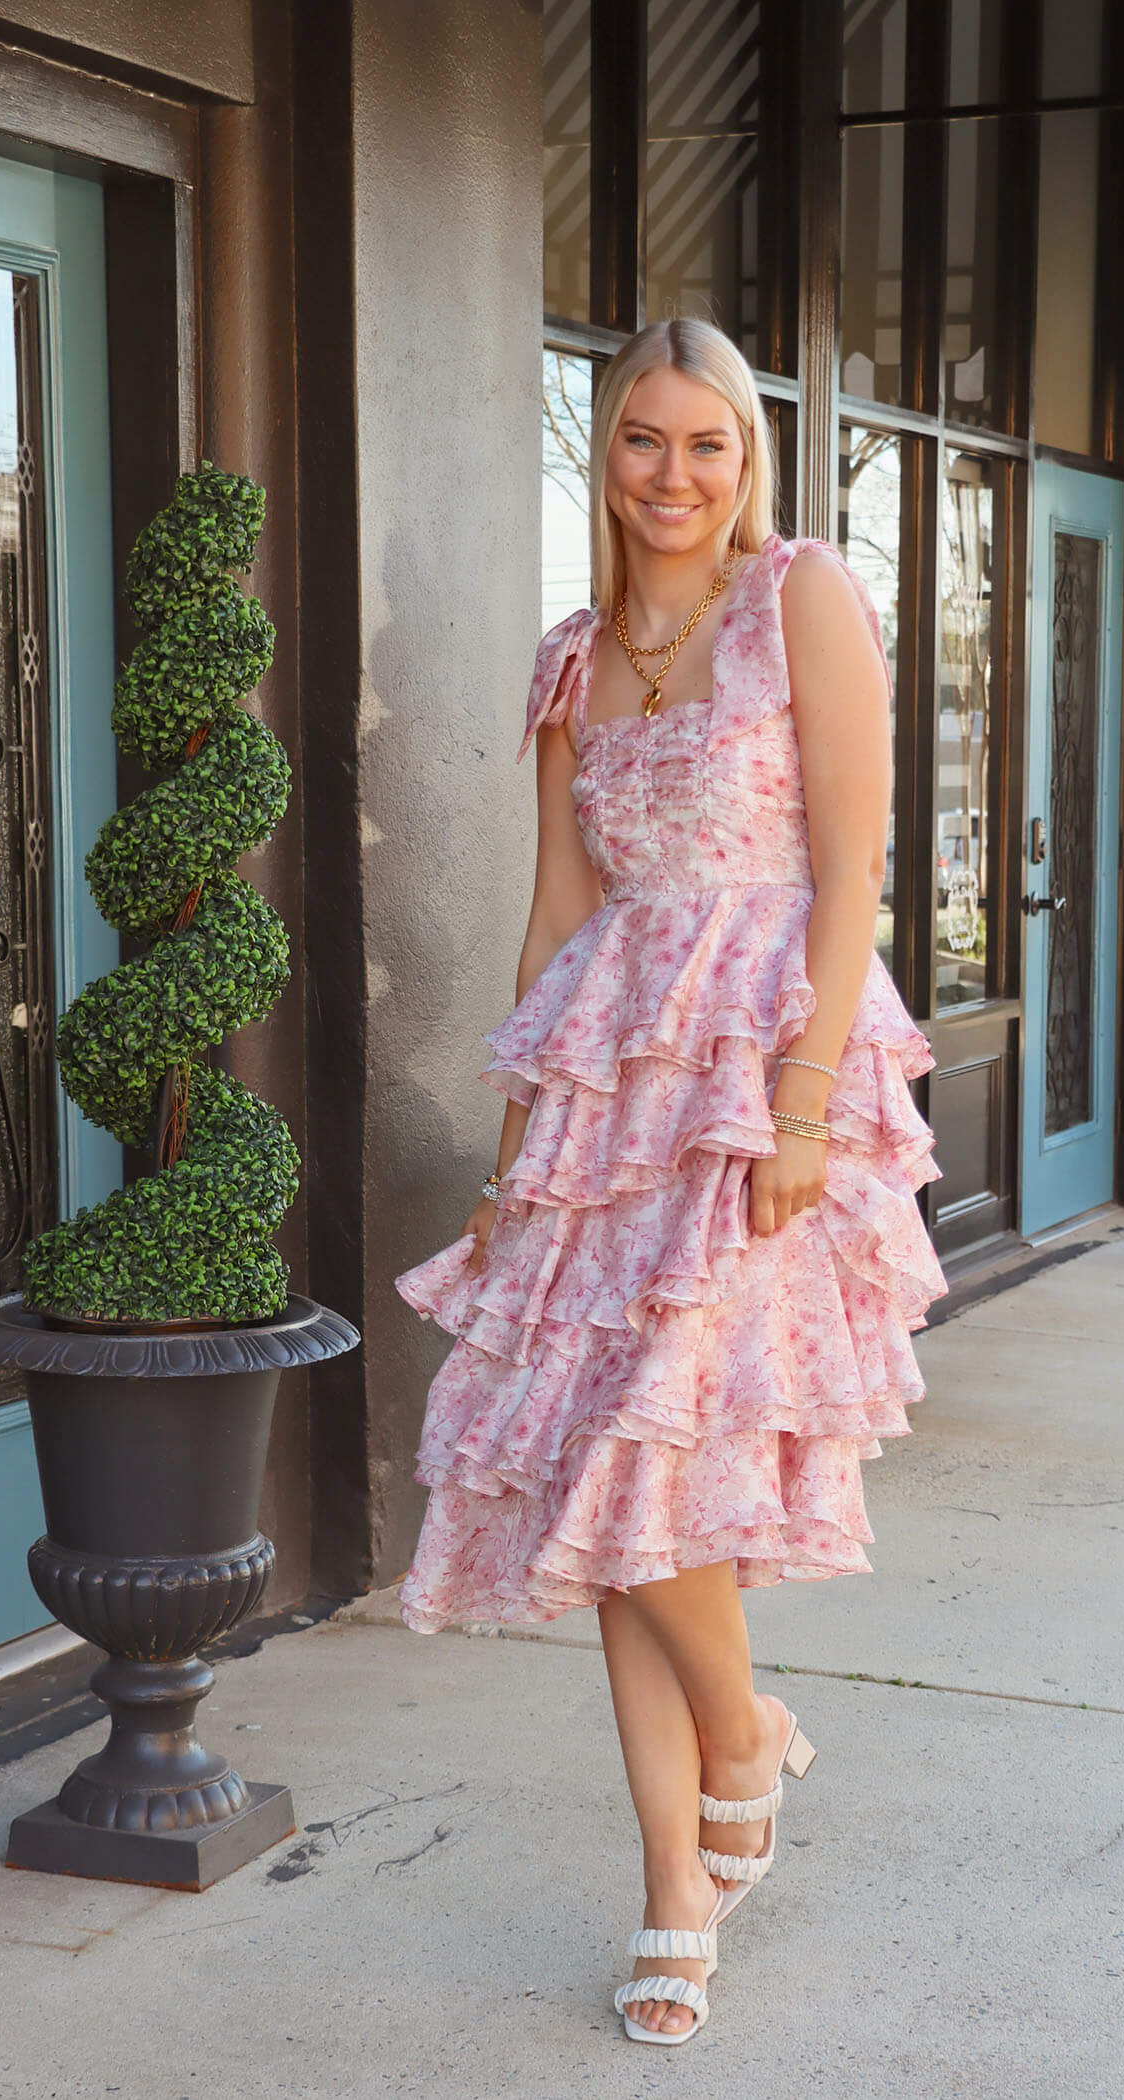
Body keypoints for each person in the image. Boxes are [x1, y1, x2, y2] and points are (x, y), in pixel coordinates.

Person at [393, 315, 947, 2045]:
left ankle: (721, 1786)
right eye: (643, 440)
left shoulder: (803, 602)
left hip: (756, 1085)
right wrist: (512, 1170)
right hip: (607, 1095)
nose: (675, 475)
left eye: (707, 444)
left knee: (655, 1477)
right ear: (605, 455)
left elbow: (854, 863)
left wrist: (798, 1106)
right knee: (600, 1475)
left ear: (747, 461)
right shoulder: (571, 657)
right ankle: (696, 1835)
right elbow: (559, 919)